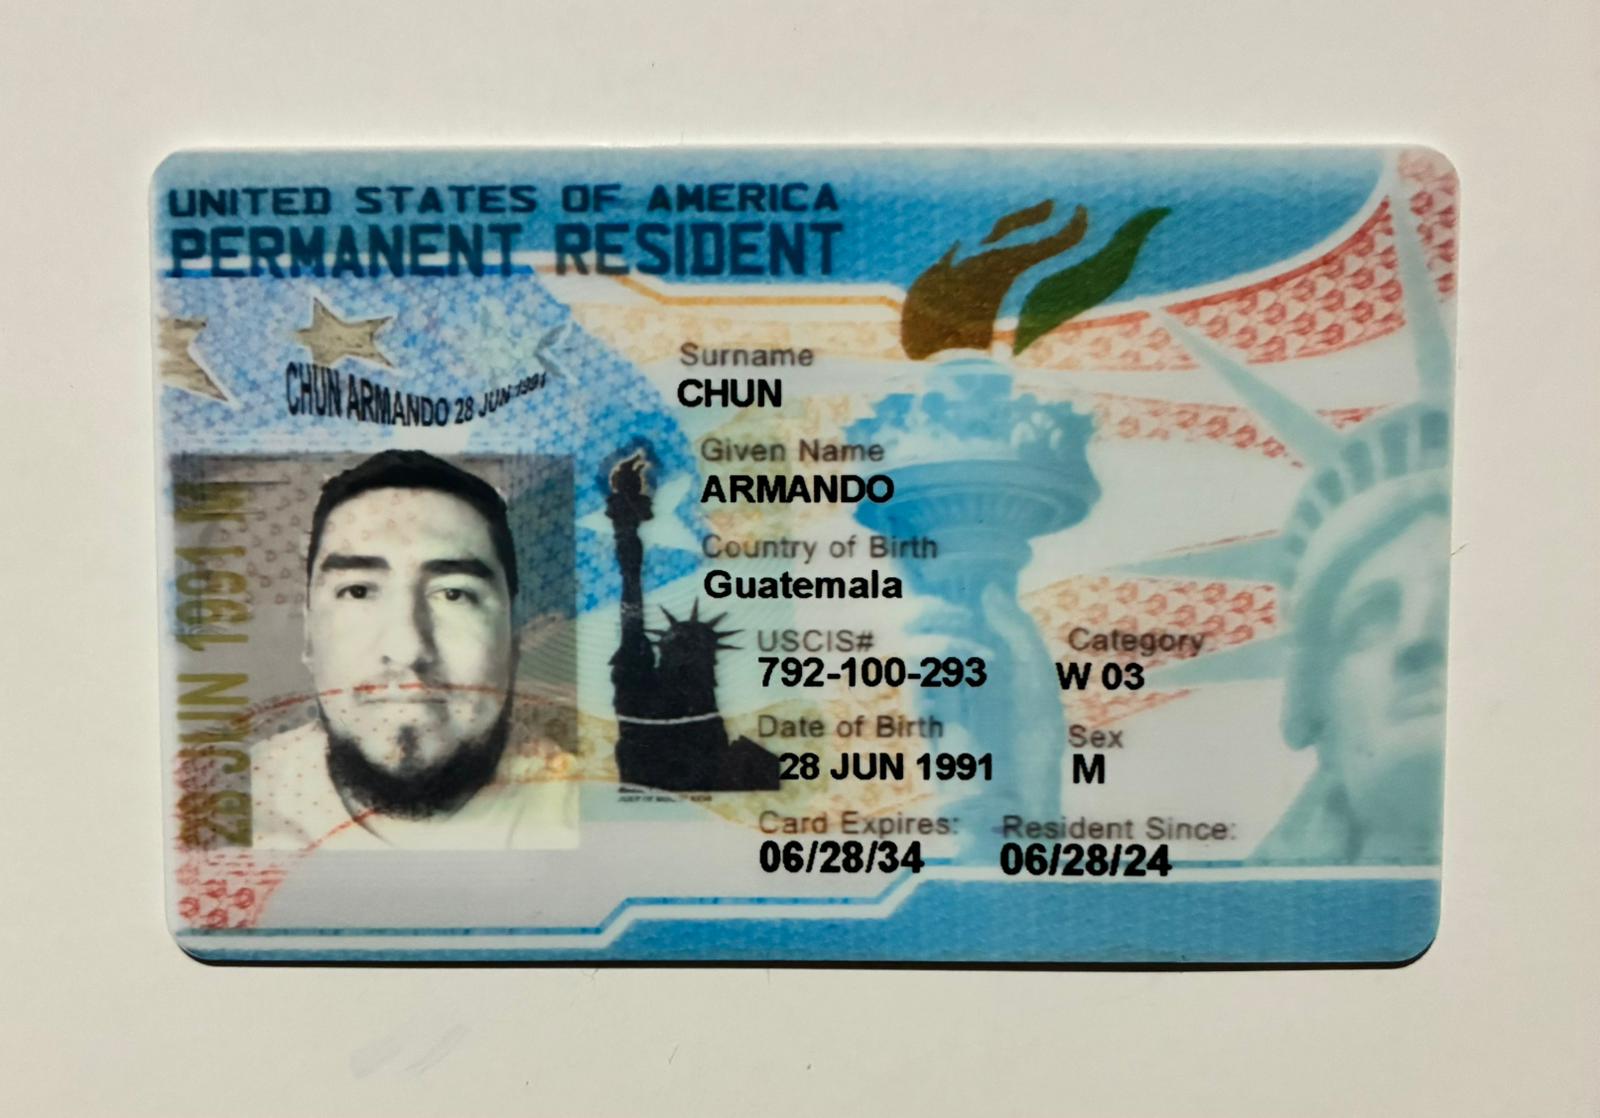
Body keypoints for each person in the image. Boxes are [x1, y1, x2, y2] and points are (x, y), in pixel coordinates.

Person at [251, 450, 575, 850]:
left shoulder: (598, 816)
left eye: (454, 594)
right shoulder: (219, 806)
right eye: (358, 591)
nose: (406, 649)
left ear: (514, 636)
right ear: (308, 636)